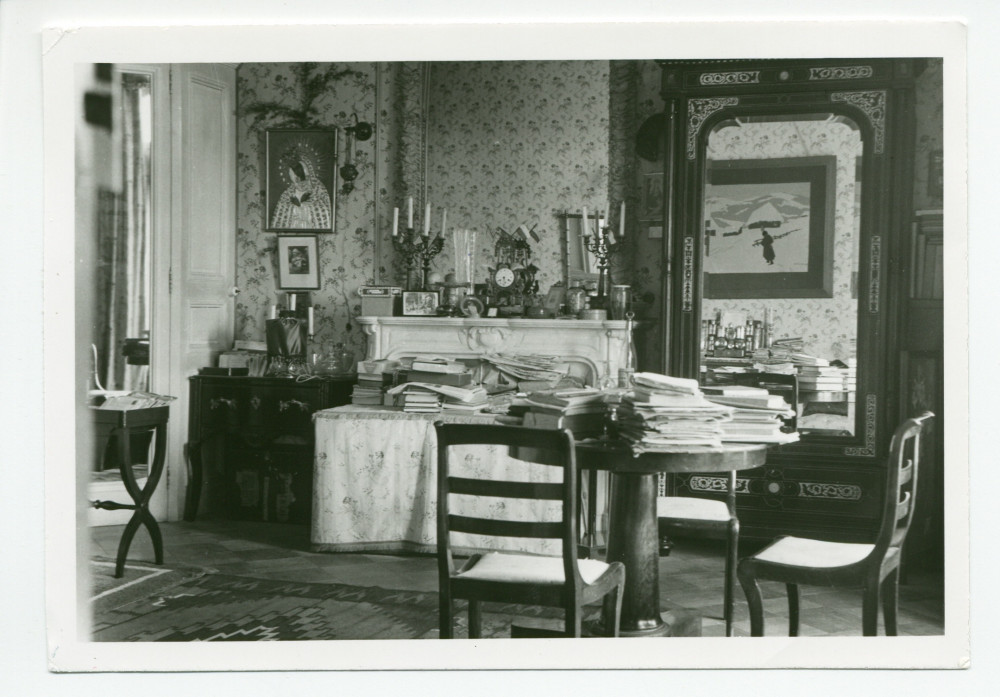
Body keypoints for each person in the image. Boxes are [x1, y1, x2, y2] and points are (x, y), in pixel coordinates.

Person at [271, 157, 332, 230]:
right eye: (292, 175)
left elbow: (322, 216)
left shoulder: (317, 191)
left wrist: (303, 209)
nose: (296, 179)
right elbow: (281, 218)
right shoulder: (288, 194)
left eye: (295, 175)